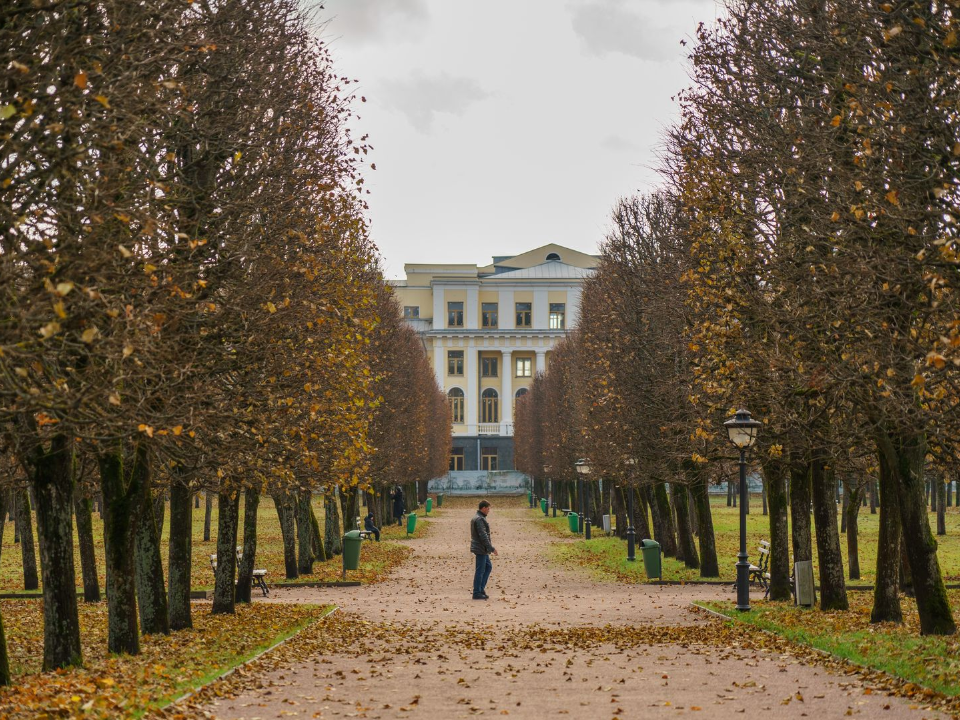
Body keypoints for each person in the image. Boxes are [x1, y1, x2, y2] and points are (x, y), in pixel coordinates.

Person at [470, 500, 497, 600]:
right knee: (480, 570)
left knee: (488, 567)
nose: (489, 511)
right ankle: (477, 591)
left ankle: (480, 589)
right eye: (488, 508)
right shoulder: (479, 519)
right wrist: (491, 548)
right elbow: (483, 535)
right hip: (481, 548)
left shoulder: (478, 518)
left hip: (482, 548)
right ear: (483, 508)